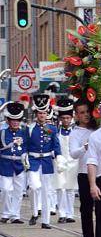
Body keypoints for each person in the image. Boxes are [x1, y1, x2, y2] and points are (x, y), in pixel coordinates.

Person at [25, 94, 61, 229]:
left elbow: (56, 145)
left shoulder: (52, 129)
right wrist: (25, 158)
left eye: (44, 112)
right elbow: (25, 146)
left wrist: (59, 158)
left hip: (46, 162)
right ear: (36, 114)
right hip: (33, 161)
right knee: (34, 187)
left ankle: (45, 221)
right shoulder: (29, 128)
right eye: (40, 112)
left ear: (47, 113)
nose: (42, 115)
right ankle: (35, 212)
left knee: (46, 191)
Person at [69, 99, 98, 237]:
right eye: (82, 113)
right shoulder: (75, 133)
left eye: (87, 111)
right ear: (76, 116)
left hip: (100, 173)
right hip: (84, 173)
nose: (86, 115)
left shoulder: (97, 129)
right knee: (86, 210)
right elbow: (73, 154)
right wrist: (85, 146)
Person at [0, 103, 29, 224]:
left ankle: (15, 215)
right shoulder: (2, 133)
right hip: (5, 164)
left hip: (19, 165)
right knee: (6, 189)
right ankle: (5, 213)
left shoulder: (24, 132)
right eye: (13, 120)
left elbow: (27, 147)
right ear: (8, 120)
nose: (16, 122)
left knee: (18, 191)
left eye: (18, 120)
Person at [53, 98, 80, 224]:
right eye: (63, 118)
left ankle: (70, 214)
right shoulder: (55, 131)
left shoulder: (76, 131)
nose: (65, 120)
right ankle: (62, 213)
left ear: (71, 118)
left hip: (73, 162)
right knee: (60, 188)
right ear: (60, 119)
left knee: (70, 189)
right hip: (60, 162)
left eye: (68, 118)